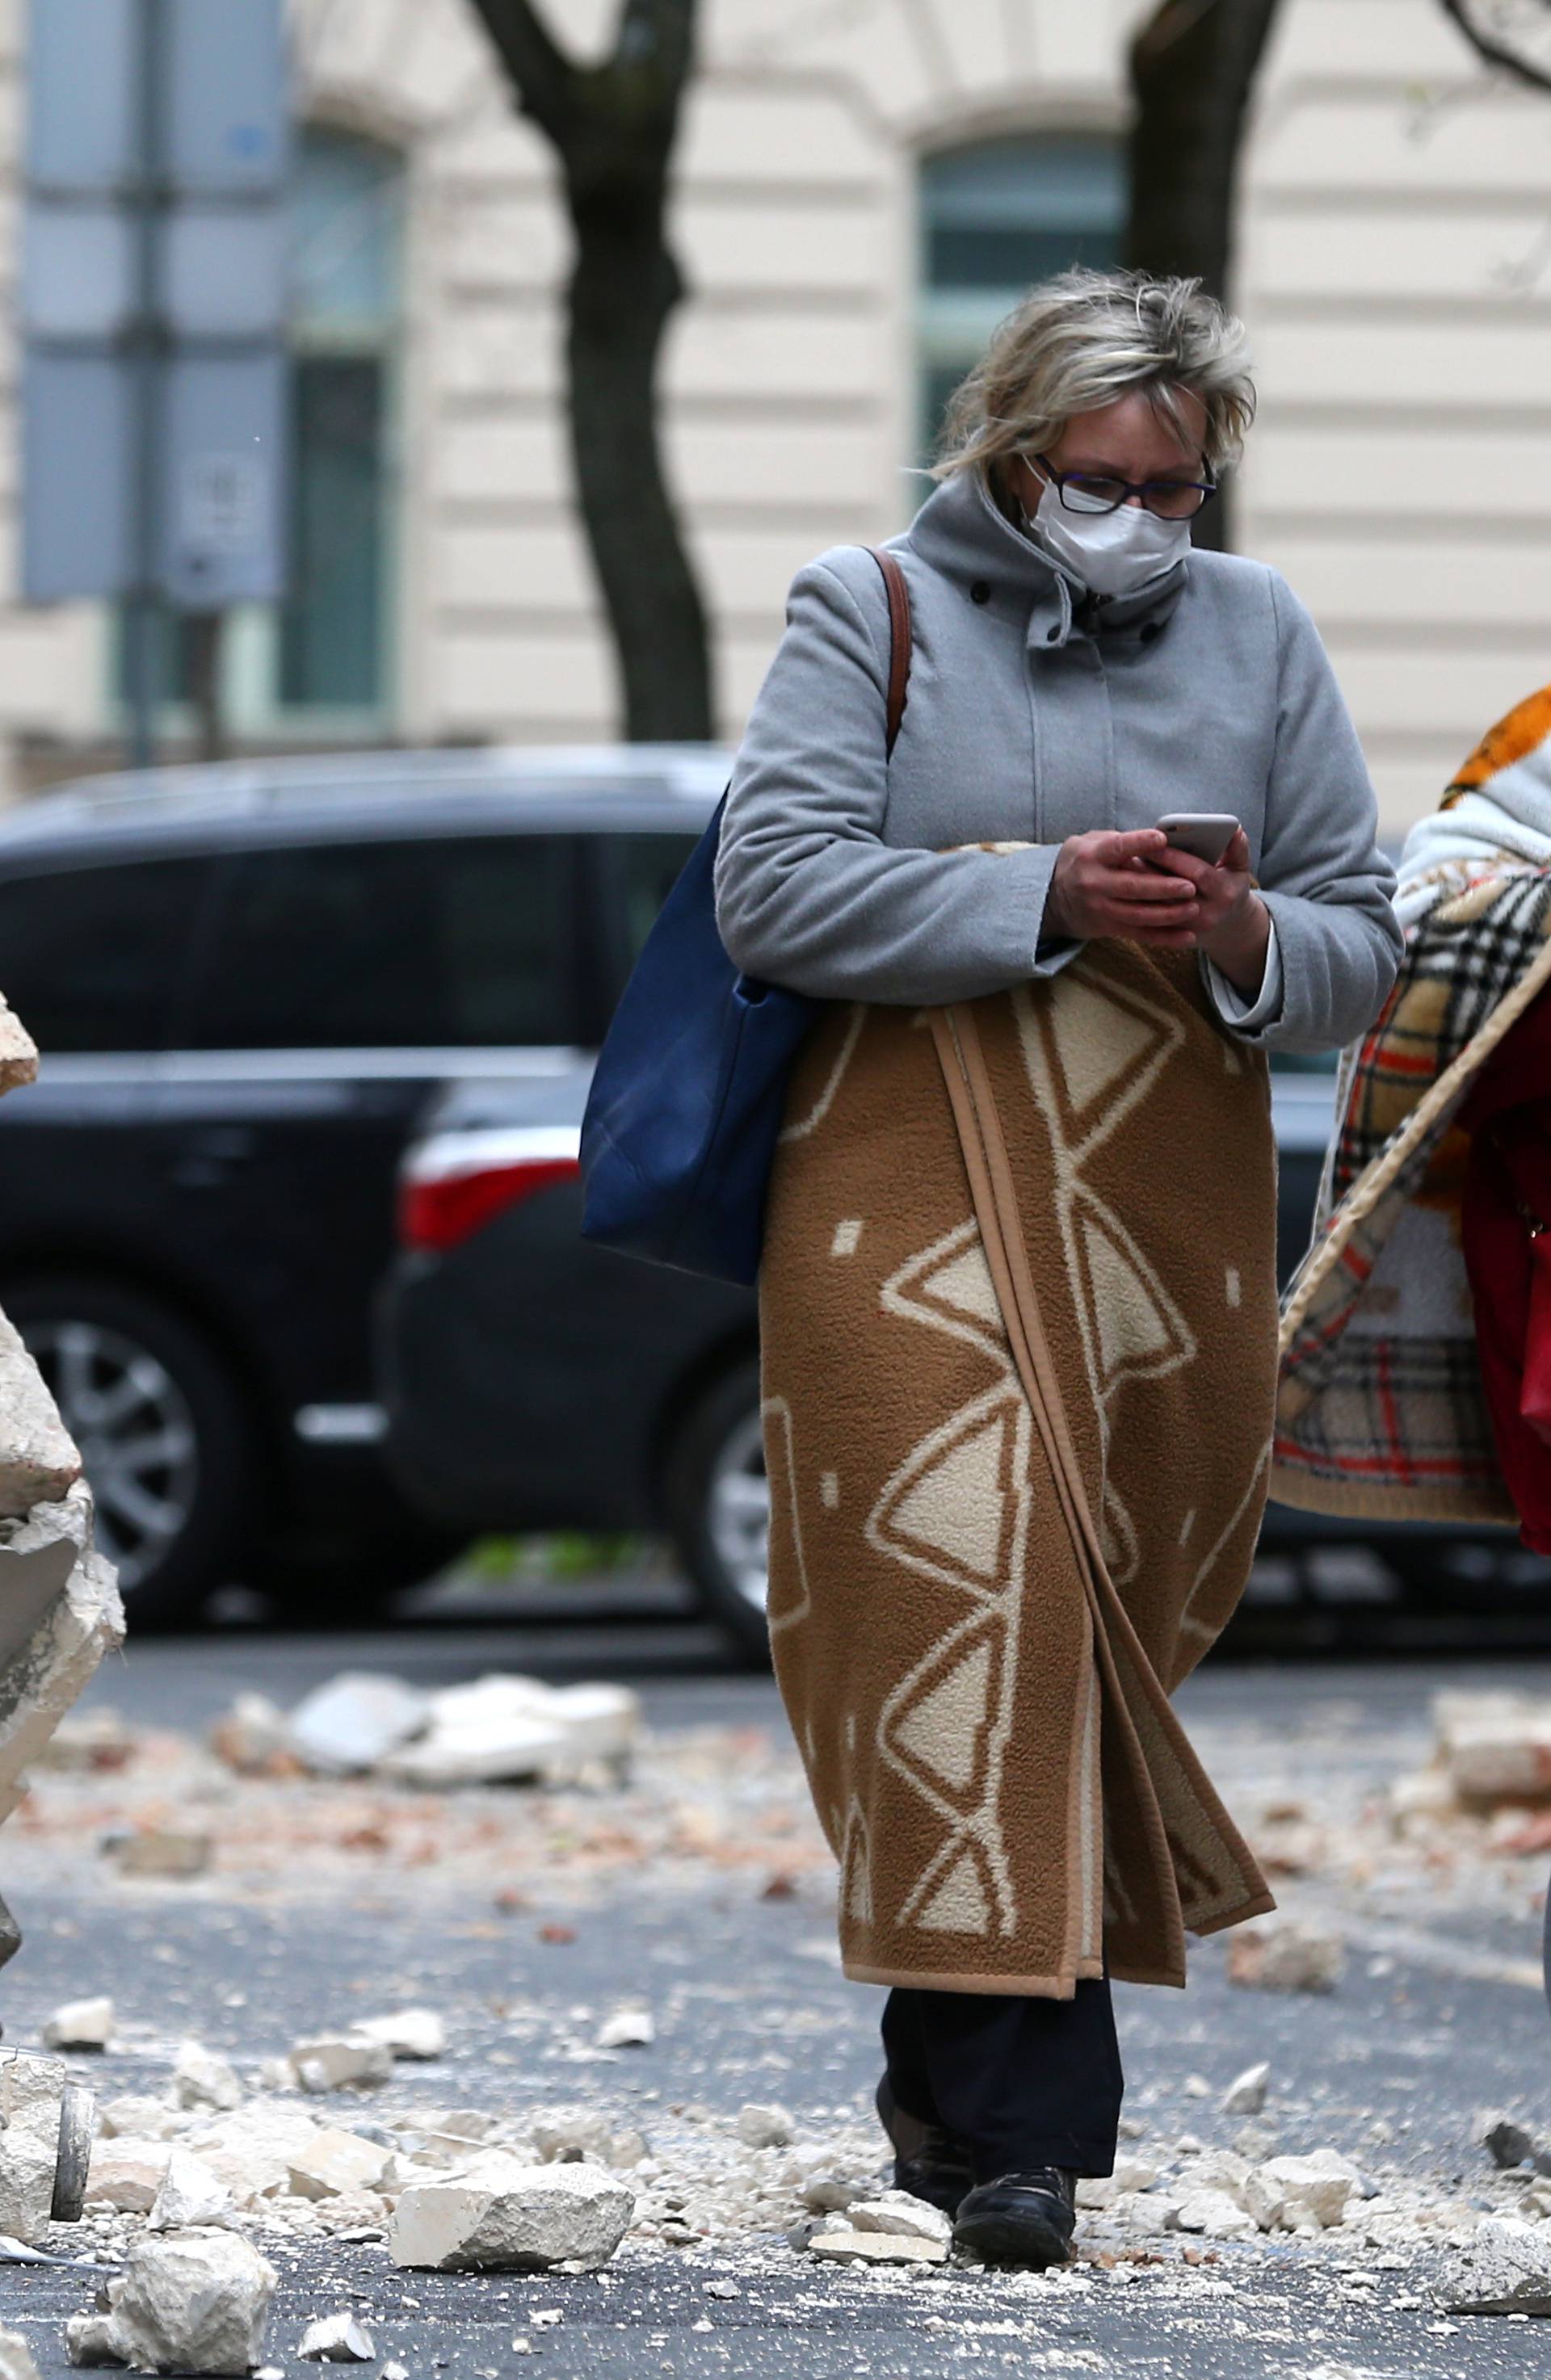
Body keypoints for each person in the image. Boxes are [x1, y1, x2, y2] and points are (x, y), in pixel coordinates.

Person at [714, 268, 1402, 2270]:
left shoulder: (1261, 631)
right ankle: (1032, 2141)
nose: (1138, 513)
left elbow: (1359, 932)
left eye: (1175, 485)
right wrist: (1041, 890)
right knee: (966, 1578)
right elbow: (772, 884)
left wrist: (1238, 928)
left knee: (1090, 1610)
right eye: (1098, 477)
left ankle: (951, 2084)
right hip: (898, 1171)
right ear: (1010, 455)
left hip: (1159, 1205)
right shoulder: (874, 608)